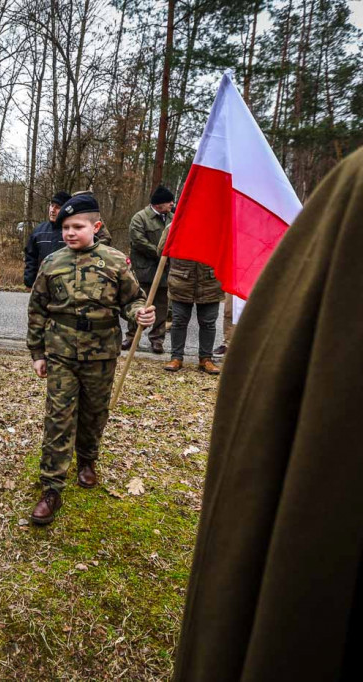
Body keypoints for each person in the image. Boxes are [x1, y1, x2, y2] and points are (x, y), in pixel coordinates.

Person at [171, 147, 363, 682]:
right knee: (183, 326)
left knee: (207, 330)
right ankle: (181, 355)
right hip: (180, 287)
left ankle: (202, 356)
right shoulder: (355, 192)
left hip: (207, 288)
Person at [26, 194, 155, 525]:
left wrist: (139, 313)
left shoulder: (114, 262)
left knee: (95, 411)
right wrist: (37, 353)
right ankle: (51, 487)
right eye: (65, 227)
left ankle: (87, 460)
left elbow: (132, 300)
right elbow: (37, 308)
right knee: (58, 417)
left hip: (101, 353)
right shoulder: (52, 263)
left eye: (78, 226)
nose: (70, 232)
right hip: (61, 353)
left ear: (96, 227)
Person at [158, 224, 222, 374]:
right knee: (179, 321)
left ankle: (206, 359)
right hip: (181, 281)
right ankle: (176, 357)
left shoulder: (217, 226)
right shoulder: (174, 226)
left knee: (208, 323)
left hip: (210, 281)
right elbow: (162, 251)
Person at [123, 186, 173, 353]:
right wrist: (161, 253)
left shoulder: (173, 218)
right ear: (158, 204)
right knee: (139, 304)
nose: (172, 204)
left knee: (161, 306)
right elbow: (138, 241)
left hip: (165, 272)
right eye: (169, 201)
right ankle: (131, 337)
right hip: (144, 270)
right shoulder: (140, 218)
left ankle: (157, 340)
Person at [23, 190, 71, 288]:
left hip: (67, 286)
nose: (52, 210)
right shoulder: (39, 230)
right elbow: (31, 257)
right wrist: (30, 281)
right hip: (42, 286)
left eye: (57, 207)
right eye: (51, 205)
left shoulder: (72, 232)